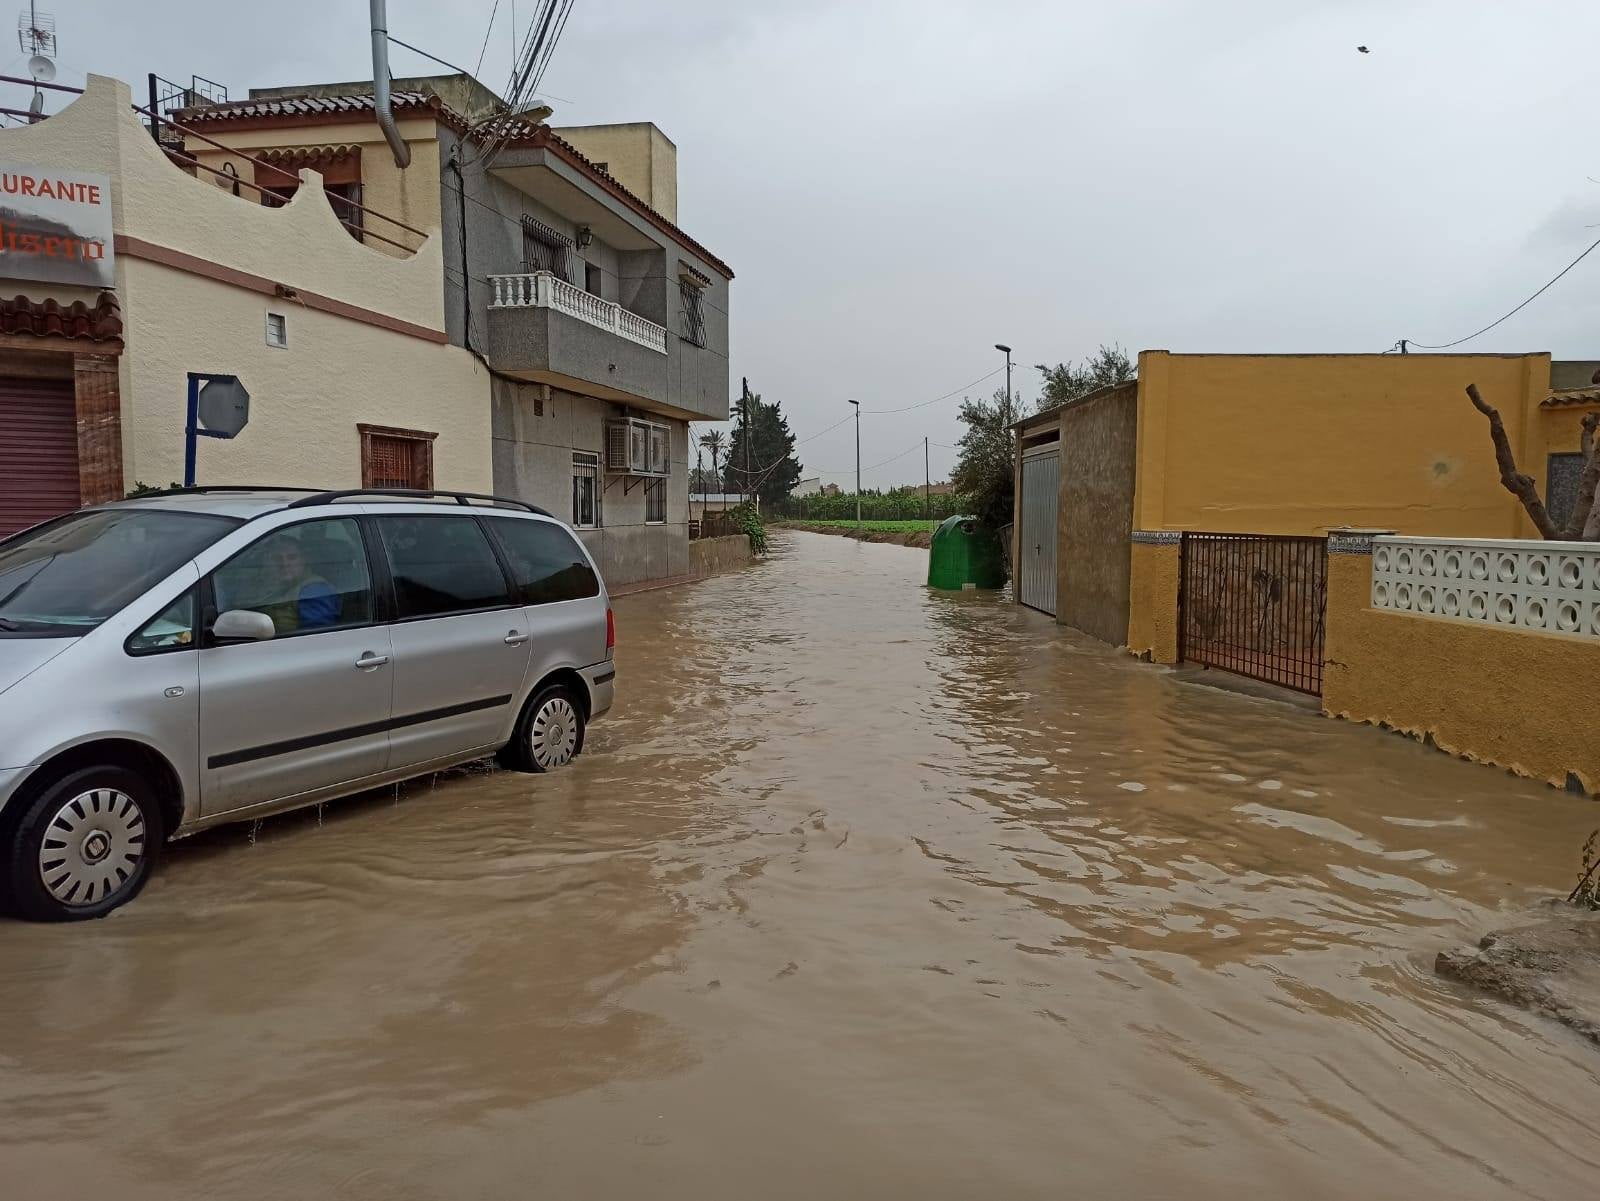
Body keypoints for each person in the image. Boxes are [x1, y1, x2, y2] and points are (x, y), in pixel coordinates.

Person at [259, 538, 339, 634]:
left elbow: (317, 637)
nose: (284, 564)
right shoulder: (282, 586)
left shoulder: (314, 590)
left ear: (304, 560)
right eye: (277, 558)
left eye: (292, 557)